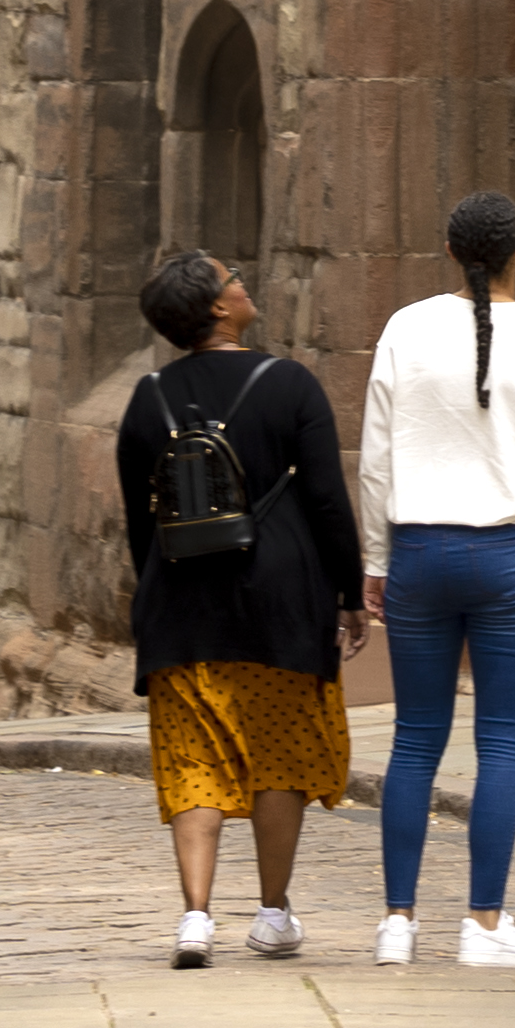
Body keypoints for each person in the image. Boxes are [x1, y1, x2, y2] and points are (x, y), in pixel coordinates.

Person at [350, 188, 515, 970]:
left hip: (421, 551)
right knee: (502, 744)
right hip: (511, 557)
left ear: (451, 253)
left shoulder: (405, 329)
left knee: (415, 740)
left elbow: (377, 457)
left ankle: (398, 921)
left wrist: (376, 560)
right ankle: (484, 925)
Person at [115, 246, 366, 968]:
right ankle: (272, 911)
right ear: (218, 308)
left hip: (182, 604)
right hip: (280, 601)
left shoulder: (147, 397)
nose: (244, 284)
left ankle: (195, 916)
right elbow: (324, 499)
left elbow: (142, 518)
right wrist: (349, 595)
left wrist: (155, 592)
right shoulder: (288, 384)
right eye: (233, 280)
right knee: (278, 758)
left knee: (193, 760)